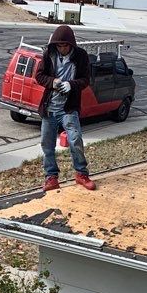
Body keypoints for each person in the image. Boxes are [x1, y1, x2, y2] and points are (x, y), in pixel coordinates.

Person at [35, 24, 96, 192]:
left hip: (68, 108)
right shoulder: (48, 55)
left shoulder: (81, 56)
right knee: (47, 144)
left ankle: (81, 174)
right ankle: (51, 177)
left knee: (75, 139)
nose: (62, 49)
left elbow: (85, 80)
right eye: (59, 45)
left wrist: (71, 85)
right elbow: (39, 76)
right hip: (49, 108)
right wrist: (53, 82)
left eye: (65, 45)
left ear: (71, 44)